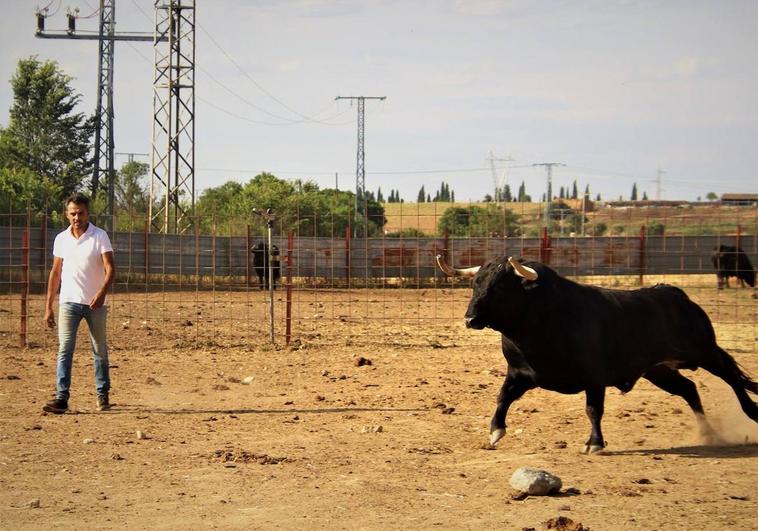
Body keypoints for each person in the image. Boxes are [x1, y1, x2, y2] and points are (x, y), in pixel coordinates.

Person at [42, 193, 116, 414]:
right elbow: (56, 273)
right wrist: (48, 306)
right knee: (65, 348)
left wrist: (102, 292)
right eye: (72, 213)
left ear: (87, 213)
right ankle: (61, 397)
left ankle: (103, 395)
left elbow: (110, 269)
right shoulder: (61, 239)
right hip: (68, 302)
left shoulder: (99, 236)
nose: (76, 217)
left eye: (80, 213)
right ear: (67, 214)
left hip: (95, 304)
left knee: (99, 349)